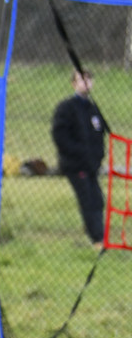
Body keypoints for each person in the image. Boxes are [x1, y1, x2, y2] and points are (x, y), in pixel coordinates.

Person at [51, 69, 106, 245]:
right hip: (75, 165)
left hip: (92, 165)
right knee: (87, 199)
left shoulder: (93, 108)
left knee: (98, 200)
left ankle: (99, 235)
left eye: (88, 79)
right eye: (81, 80)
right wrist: (79, 153)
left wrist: (98, 156)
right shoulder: (66, 108)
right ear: (73, 84)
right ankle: (97, 239)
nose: (86, 83)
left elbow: (100, 135)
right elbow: (59, 136)